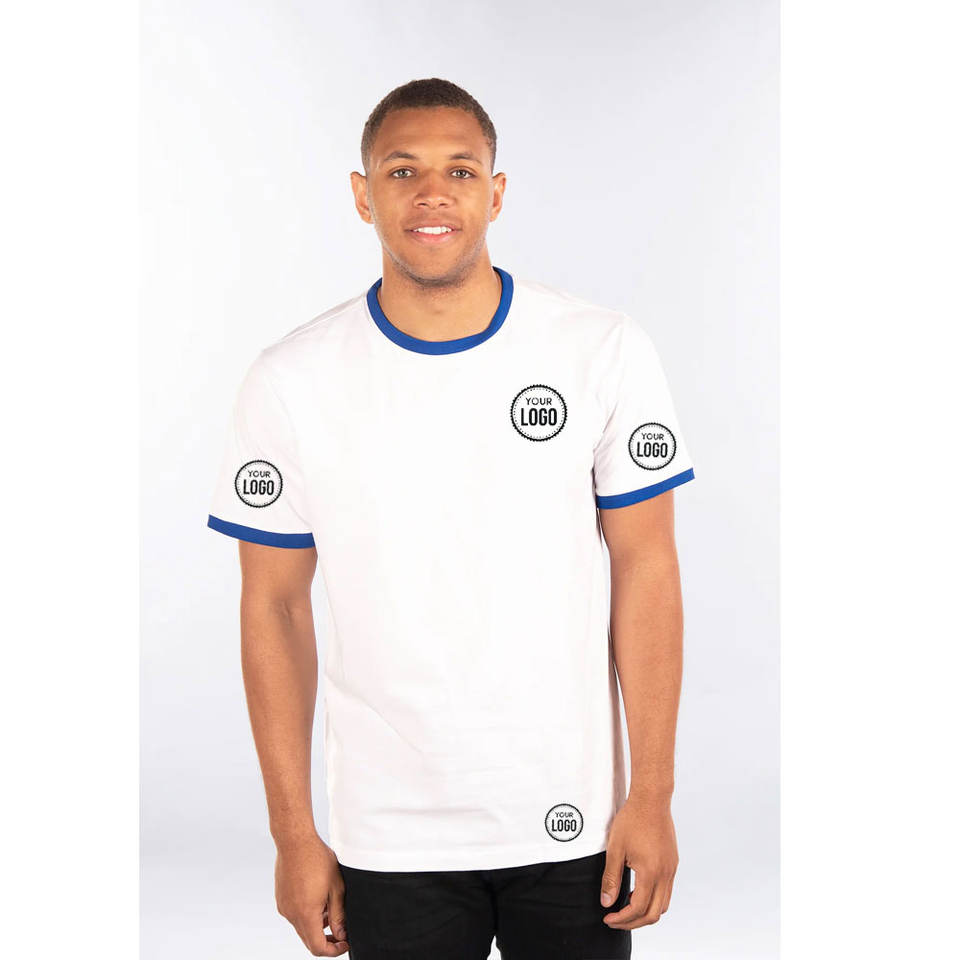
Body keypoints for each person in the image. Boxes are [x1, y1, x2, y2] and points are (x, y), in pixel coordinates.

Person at [207, 77, 696, 959]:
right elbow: (272, 605)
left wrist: (651, 795)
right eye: (402, 171)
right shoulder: (291, 380)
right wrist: (293, 834)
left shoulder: (600, 348)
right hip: (390, 832)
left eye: (460, 171)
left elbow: (647, 567)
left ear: (495, 193)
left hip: (573, 818)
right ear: (363, 195)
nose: (432, 193)